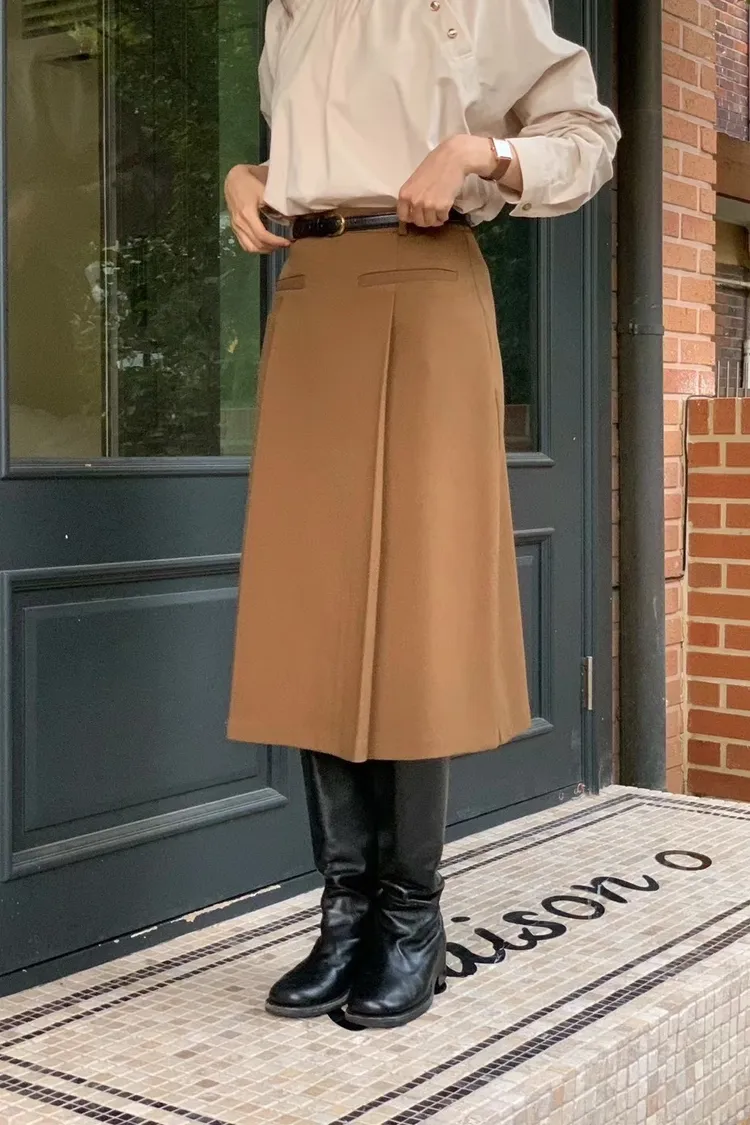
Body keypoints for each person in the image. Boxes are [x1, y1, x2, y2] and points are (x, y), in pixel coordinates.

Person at [224, 0, 619, 1030]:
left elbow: (588, 138)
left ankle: (410, 916)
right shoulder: (293, 8)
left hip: (426, 277)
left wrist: (481, 152)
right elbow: (320, 149)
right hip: (312, 293)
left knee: (412, 606)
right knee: (314, 613)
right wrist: (252, 176)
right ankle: (345, 912)